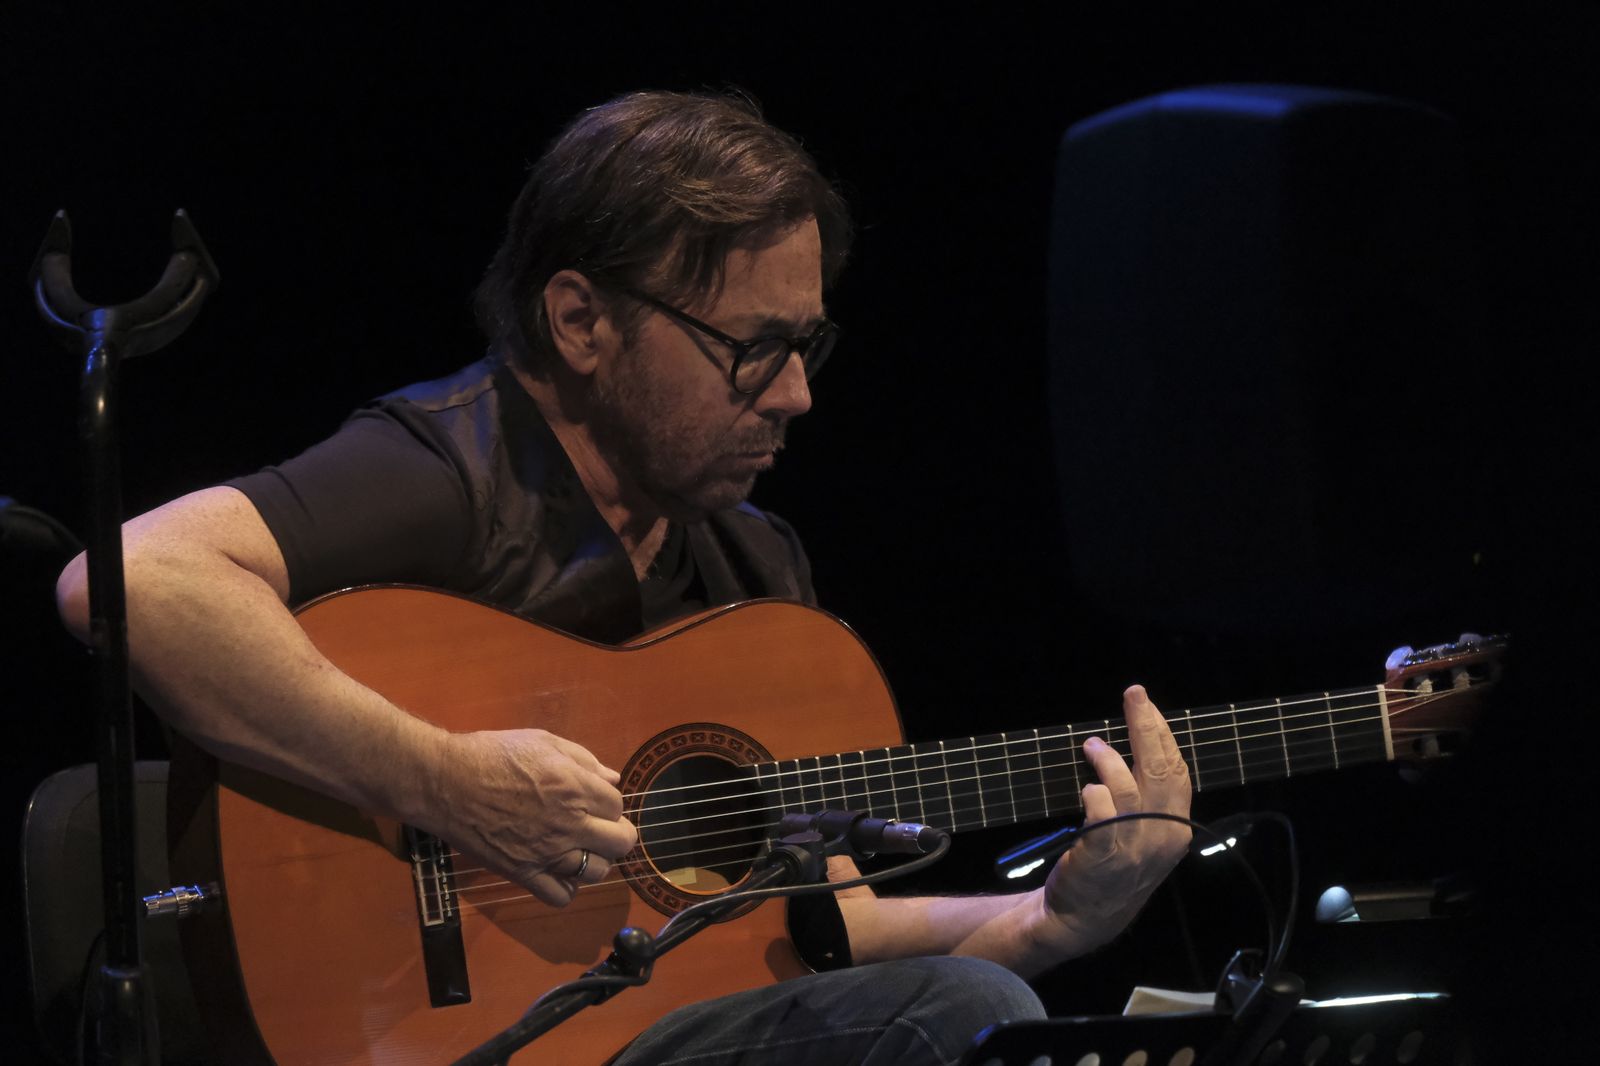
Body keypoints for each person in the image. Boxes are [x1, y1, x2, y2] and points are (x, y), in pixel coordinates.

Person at [56, 90, 1193, 1064]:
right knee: (971, 1011)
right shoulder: (453, 466)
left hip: (639, 1030)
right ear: (580, 321)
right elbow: (132, 578)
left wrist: (1047, 916)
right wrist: (444, 781)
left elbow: (827, 928)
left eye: (808, 345)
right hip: (434, 1032)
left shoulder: (752, 561)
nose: (796, 393)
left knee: (1004, 1005)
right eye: (754, 347)